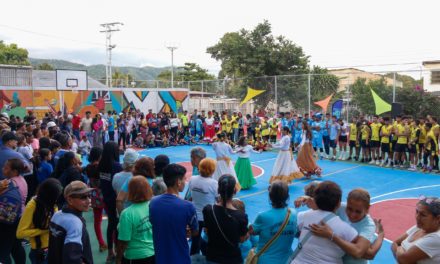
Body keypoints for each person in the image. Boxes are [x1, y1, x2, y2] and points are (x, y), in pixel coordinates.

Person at [309, 188, 385, 264]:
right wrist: (307, 199)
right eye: (349, 209)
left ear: (367, 208)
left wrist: (332, 236)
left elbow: (361, 253)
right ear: (347, 203)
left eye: (358, 212)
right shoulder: (341, 207)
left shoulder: (368, 226)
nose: (352, 215)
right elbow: (321, 207)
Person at [290, 181, 358, 264]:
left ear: (315, 199)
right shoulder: (346, 230)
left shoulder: (303, 216)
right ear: (338, 203)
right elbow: (360, 252)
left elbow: (294, 232)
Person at [149, 164, 198, 264]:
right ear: (178, 182)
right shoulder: (188, 206)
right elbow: (195, 232)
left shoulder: (153, 202)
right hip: (180, 257)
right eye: (184, 179)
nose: (185, 182)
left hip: (160, 256)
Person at [202, 174, 249, 263]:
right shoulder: (241, 216)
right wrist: (248, 234)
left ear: (218, 190)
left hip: (213, 256)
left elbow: (207, 231)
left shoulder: (208, 210)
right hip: (232, 258)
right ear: (235, 191)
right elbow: (242, 239)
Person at [248, 180, 297, 264]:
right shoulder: (292, 213)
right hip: (287, 260)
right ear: (287, 196)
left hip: (265, 260)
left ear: (270, 197)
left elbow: (251, 232)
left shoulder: (263, 216)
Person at [16, 178, 63, 264]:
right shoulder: (32, 206)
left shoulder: (52, 203)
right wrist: (43, 230)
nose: (57, 199)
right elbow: (20, 233)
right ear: (48, 195)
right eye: (55, 196)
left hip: (54, 248)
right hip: (40, 252)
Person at [48, 181, 94, 264]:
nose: (89, 200)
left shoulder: (57, 215)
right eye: (83, 197)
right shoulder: (75, 222)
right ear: (69, 200)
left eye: (89, 196)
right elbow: (72, 259)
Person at [116, 176, 155, 264]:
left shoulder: (127, 214)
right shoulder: (154, 206)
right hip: (153, 253)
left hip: (135, 257)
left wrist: (118, 259)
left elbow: (123, 242)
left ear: (130, 192)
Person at [392, 196, 440, 263]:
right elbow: (394, 243)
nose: (417, 217)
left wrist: (400, 248)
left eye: (423, 215)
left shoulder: (436, 238)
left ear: (438, 218)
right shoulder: (419, 227)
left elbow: (403, 259)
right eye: (417, 212)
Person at [187, 158, 218, 255]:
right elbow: (218, 199)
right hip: (209, 216)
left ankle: (193, 257)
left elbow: (191, 195)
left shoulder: (192, 179)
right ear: (212, 169)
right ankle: (209, 254)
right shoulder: (214, 183)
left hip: (195, 215)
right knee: (212, 238)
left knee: (195, 240)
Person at [99, 141, 123, 263]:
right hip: (116, 199)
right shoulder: (117, 166)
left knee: (111, 225)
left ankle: (110, 252)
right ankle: (119, 253)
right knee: (119, 226)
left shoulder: (101, 165)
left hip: (106, 199)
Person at [0, 158, 27, 264]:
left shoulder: (9, 183)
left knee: (3, 249)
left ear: (14, 171)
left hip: (8, 219)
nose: (3, 169)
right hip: (19, 217)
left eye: (6, 168)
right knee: (16, 245)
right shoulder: (22, 179)